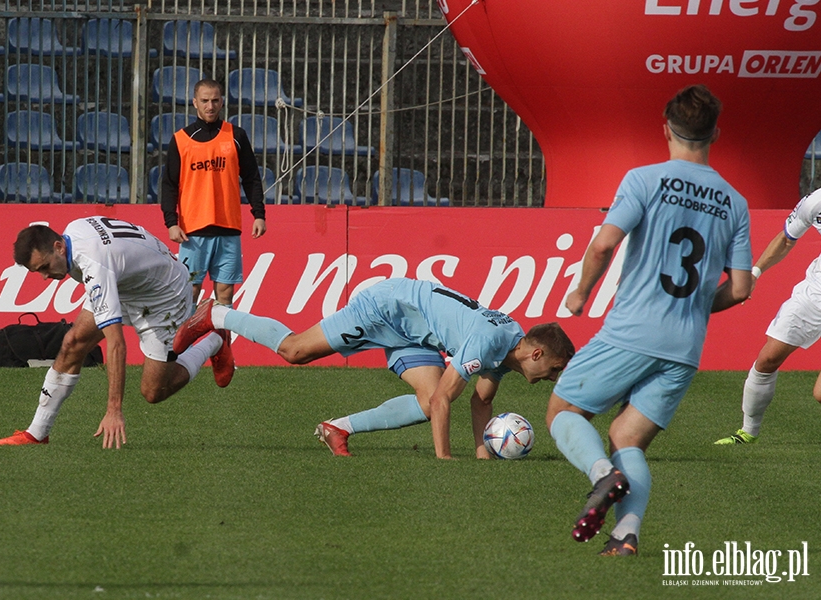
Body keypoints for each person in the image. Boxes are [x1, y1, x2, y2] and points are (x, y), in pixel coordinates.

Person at [543, 84, 753, 557]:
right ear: (715, 133)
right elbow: (740, 288)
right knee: (627, 437)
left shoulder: (644, 179)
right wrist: (698, 306)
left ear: (666, 128)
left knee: (563, 412)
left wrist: (581, 291)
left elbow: (603, 243)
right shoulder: (735, 202)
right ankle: (625, 537)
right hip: (685, 346)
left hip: (632, 331)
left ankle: (602, 477)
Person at [173, 278, 575, 458]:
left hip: (416, 332)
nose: (553, 379)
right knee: (295, 351)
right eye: (555, 370)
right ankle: (219, 314)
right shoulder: (490, 341)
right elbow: (445, 396)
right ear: (536, 354)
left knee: (425, 404)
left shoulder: (511, 346)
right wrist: (446, 460)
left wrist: (483, 456)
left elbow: (481, 402)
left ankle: (338, 428)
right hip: (387, 309)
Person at [0, 217, 234, 449]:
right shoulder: (74, 235)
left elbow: (116, 344)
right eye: (37, 271)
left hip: (164, 297)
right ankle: (37, 433)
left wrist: (114, 410)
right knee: (73, 342)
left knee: (154, 391)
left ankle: (215, 339)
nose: (45, 277)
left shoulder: (95, 265)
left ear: (58, 247)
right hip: (125, 283)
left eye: (44, 266)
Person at [715, 187, 821, 445]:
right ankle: (747, 432)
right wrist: (755, 272)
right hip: (815, 294)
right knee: (767, 359)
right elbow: (786, 239)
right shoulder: (816, 201)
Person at [161, 77, 267, 311]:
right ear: (195, 103)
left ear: (222, 103)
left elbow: (251, 177)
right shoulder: (181, 139)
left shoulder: (236, 136)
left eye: (215, 100)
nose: (210, 106)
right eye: (205, 101)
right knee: (190, 292)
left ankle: (222, 346)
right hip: (193, 230)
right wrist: (171, 222)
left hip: (228, 227)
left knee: (225, 294)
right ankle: (182, 347)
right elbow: (169, 184)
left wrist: (259, 213)